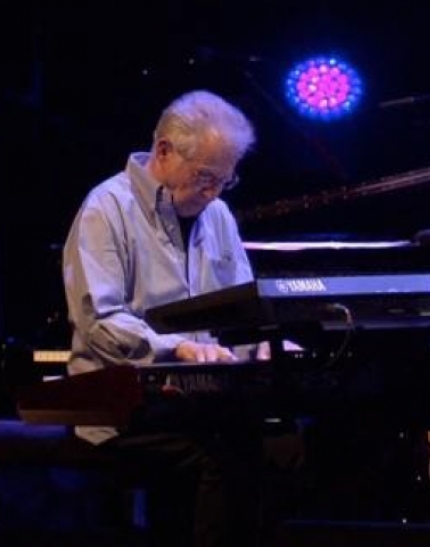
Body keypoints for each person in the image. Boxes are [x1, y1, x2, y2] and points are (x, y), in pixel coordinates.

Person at [62, 90, 297, 546]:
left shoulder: (219, 215)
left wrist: (266, 345)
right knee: (224, 456)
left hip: (202, 403)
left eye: (225, 181)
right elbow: (101, 321)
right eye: (205, 177)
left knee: (285, 444)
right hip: (121, 409)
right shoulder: (105, 208)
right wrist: (178, 348)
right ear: (164, 151)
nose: (213, 193)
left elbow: (239, 313)